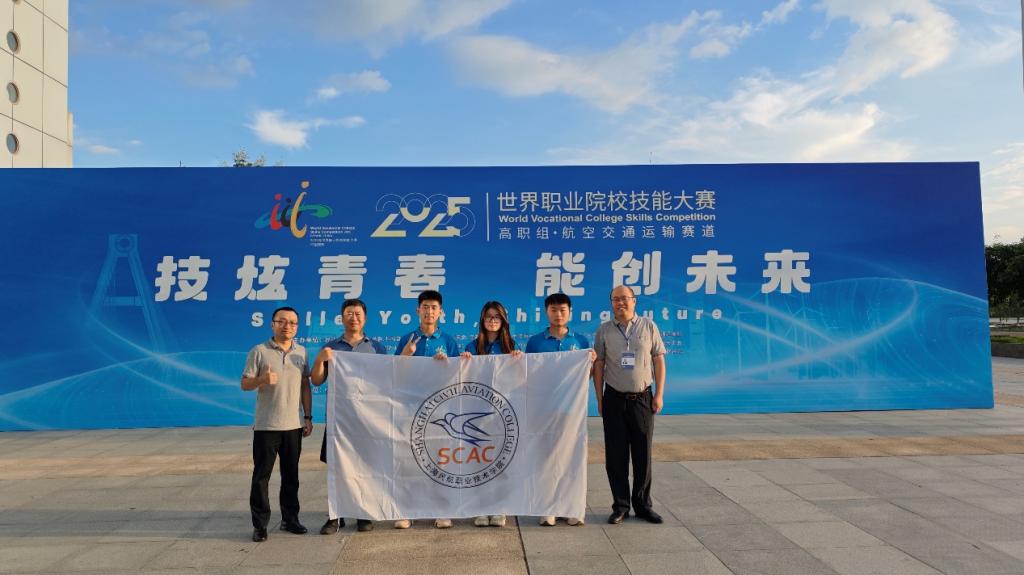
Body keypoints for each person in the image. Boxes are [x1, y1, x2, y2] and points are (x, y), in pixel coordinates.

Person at [310, 299, 387, 535]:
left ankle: (363, 513)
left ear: (365, 318)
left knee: (365, 467)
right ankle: (336, 516)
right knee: (338, 468)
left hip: (366, 420)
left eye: (358, 313)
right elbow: (317, 380)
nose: (354, 317)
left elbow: (386, 381)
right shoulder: (331, 347)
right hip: (339, 419)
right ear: (342, 318)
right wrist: (320, 359)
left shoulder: (376, 348)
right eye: (349, 313)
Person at [593, 286, 666, 525]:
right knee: (616, 456)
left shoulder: (648, 326)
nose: (620, 303)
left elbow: (658, 360)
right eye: (616, 299)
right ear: (611, 303)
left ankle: (643, 505)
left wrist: (659, 395)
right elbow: (599, 365)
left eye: (625, 299)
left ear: (634, 301)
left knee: (643, 454)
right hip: (614, 399)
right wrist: (599, 399)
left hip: (642, 399)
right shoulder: (604, 330)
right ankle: (620, 506)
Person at [240, 306, 313, 542]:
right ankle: (260, 525)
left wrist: (308, 417)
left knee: (291, 476)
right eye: (282, 321)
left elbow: (305, 386)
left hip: (293, 425)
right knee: (262, 477)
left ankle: (290, 519)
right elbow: (245, 383)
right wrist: (262, 379)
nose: (287, 326)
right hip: (266, 426)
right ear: (272, 324)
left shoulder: (301, 352)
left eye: (292, 322)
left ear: (297, 327)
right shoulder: (259, 351)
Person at [394, 290, 461, 529]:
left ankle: (441, 510)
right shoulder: (408, 339)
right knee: (409, 459)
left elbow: (458, 376)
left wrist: (447, 365)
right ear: (417, 310)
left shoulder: (449, 341)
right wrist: (405, 355)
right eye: (425, 307)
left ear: (440, 312)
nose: (429, 312)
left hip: (440, 410)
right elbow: (394, 372)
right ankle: (407, 510)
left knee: (439, 458)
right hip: (410, 407)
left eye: (434, 308)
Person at [524, 292, 593, 527]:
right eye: (553, 310)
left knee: (572, 456)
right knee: (546, 457)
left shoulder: (580, 341)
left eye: (562, 310)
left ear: (570, 312)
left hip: (572, 408)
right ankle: (548, 507)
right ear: (546, 312)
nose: (558, 314)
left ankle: (571, 507)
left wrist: (591, 363)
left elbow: (586, 375)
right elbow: (528, 375)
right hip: (544, 408)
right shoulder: (535, 342)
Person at [460, 301, 522, 528]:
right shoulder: (472, 345)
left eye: (497, 317)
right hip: (477, 412)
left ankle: (499, 507)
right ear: (482, 320)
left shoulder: (511, 346)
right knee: (479, 461)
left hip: (503, 414)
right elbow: (462, 378)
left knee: (501, 461)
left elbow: (520, 379)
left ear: (503, 321)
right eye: (489, 317)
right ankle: (480, 507)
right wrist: (464, 363)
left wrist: (518, 361)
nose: (493, 321)